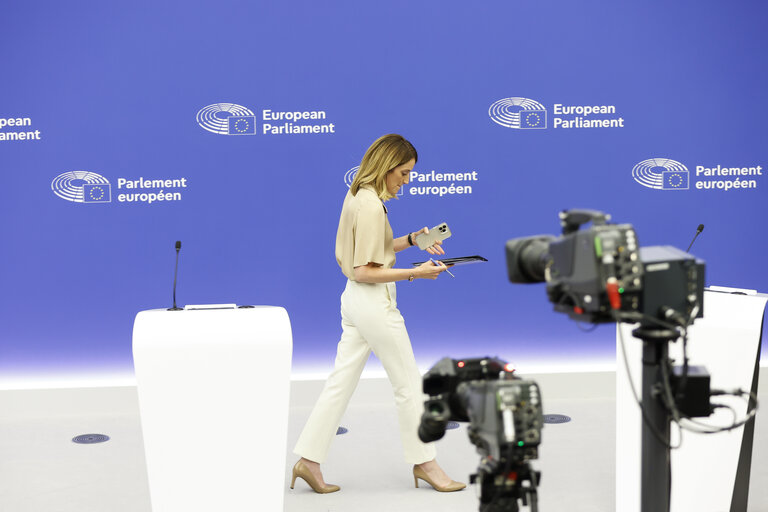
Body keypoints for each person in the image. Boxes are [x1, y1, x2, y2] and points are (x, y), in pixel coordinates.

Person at [290, 134, 466, 494]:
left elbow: (374, 250)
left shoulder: (359, 195)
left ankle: (308, 461)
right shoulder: (371, 206)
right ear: (386, 166)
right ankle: (425, 463)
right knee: (409, 385)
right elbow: (365, 270)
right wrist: (417, 272)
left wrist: (413, 239)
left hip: (354, 302)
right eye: (403, 172)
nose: (406, 179)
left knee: (340, 383)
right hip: (372, 301)